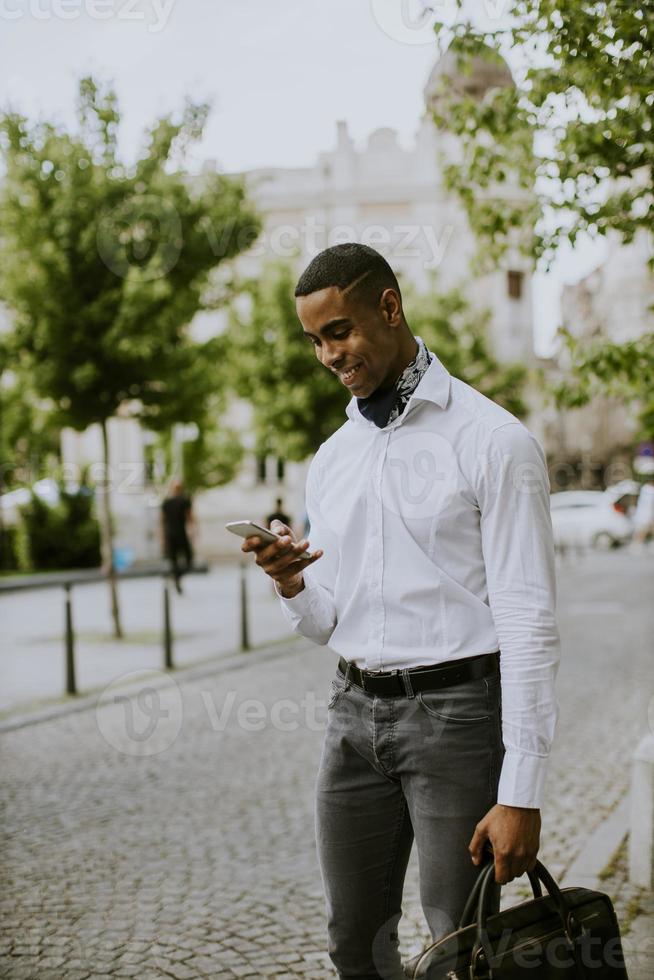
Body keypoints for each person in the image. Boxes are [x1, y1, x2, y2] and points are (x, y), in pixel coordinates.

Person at [242, 243, 560, 979]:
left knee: (460, 951)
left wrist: (523, 793)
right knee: (355, 942)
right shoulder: (333, 458)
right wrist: (291, 581)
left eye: (340, 331)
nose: (328, 354)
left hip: (458, 719)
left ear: (390, 308)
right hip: (352, 719)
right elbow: (329, 620)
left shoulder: (493, 441)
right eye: (315, 340)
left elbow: (530, 623)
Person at [160, 478, 195, 594]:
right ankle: (177, 578)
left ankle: (177, 577)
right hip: (172, 534)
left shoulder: (184, 501)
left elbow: (189, 517)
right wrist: (162, 536)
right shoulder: (167, 502)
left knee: (189, 558)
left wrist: (193, 530)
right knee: (174, 560)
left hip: (180, 533)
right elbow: (162, 520)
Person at [633, 476, 654, 546]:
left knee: (643, 529)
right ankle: (637, 543)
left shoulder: (644, 489)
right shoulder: (649, 490)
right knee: (642, 529)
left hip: (644, 513)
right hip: (646, 513)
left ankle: (637, 543)